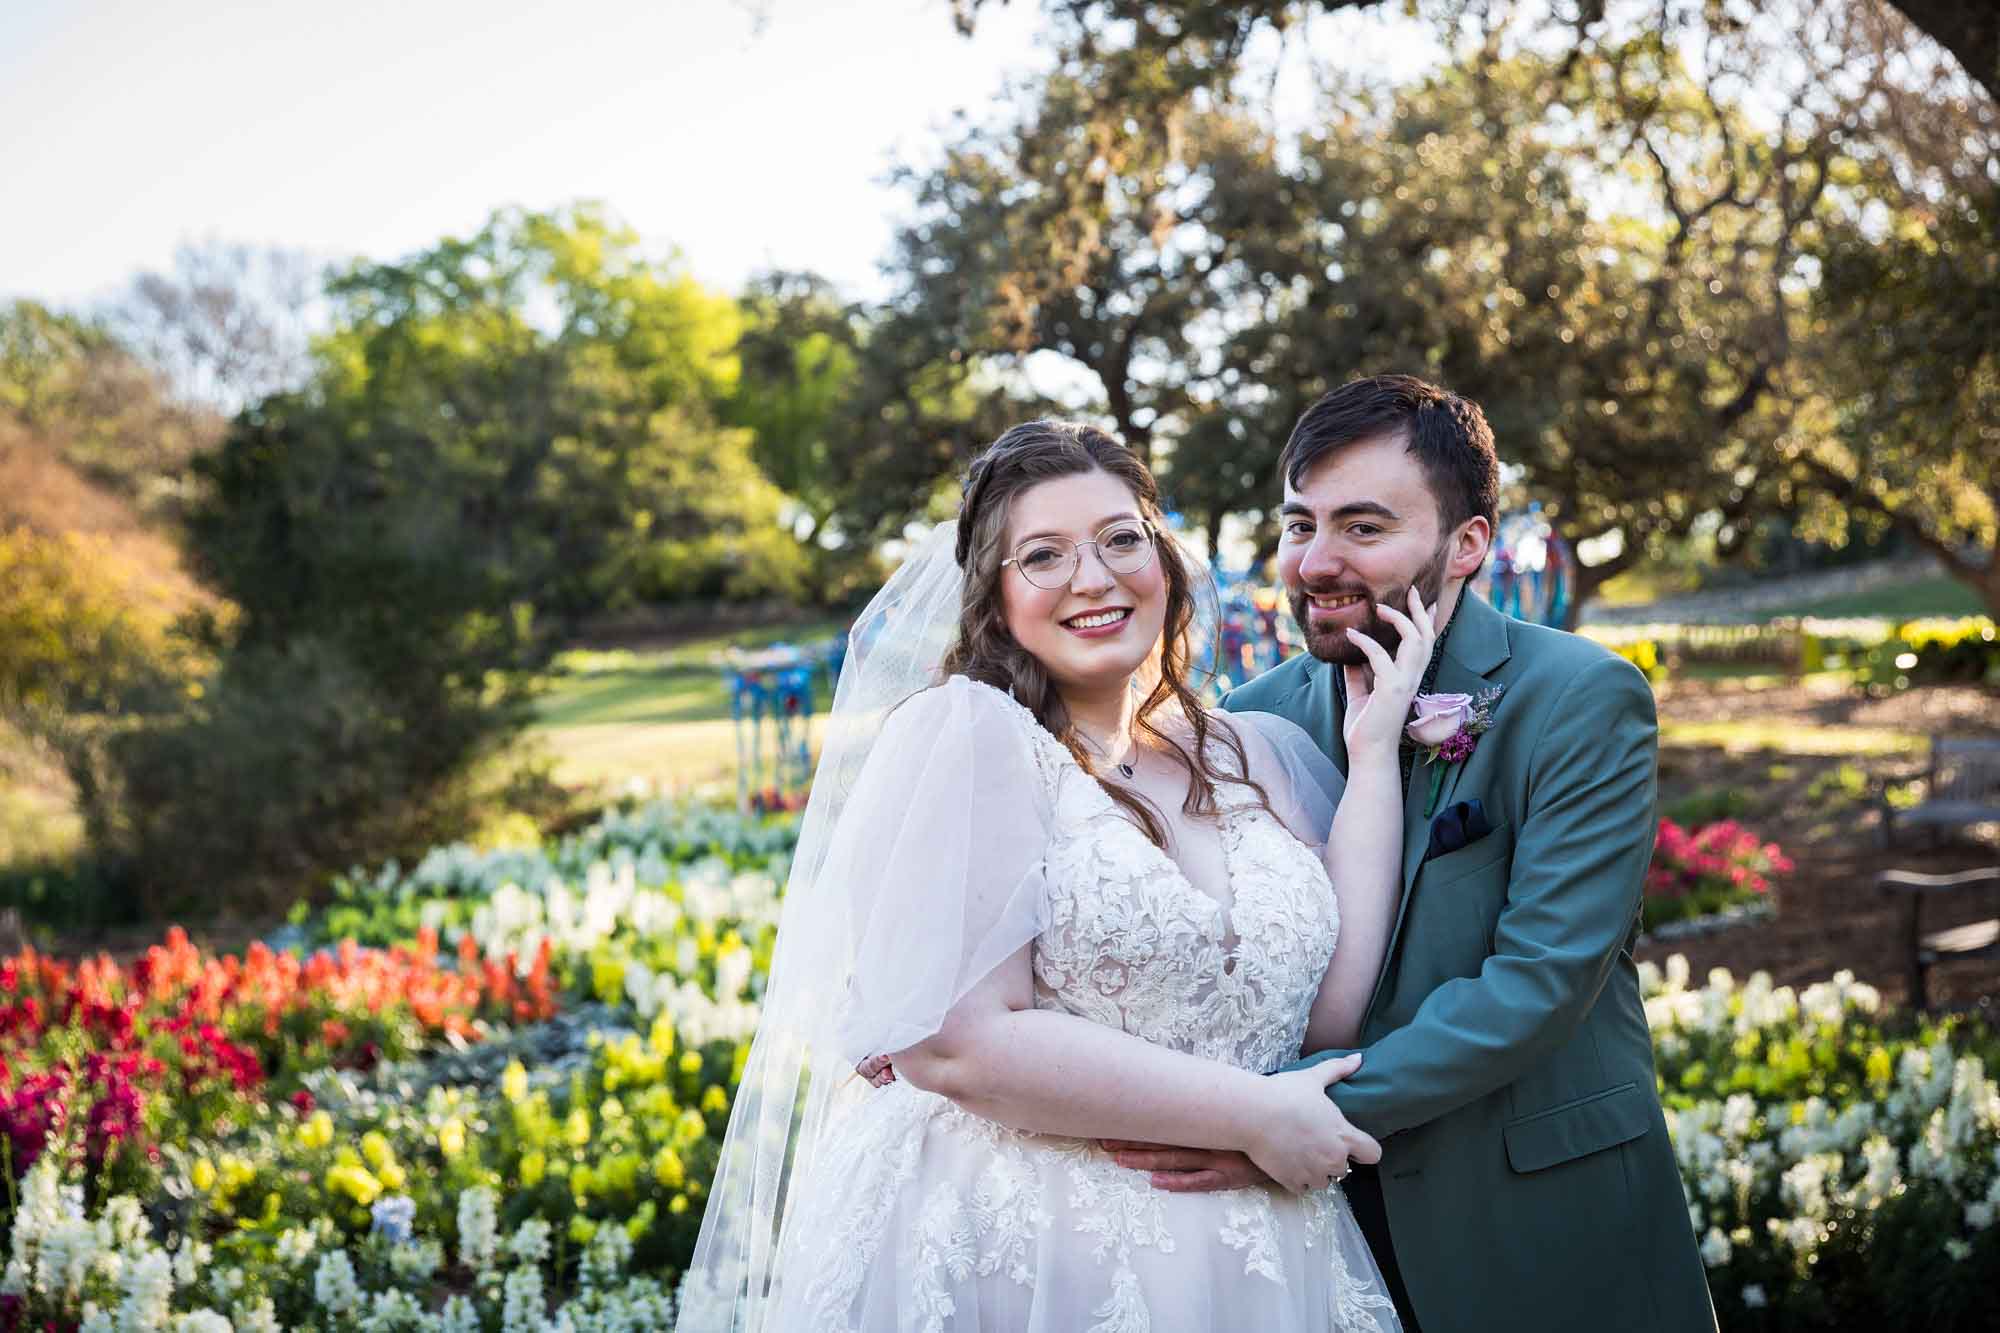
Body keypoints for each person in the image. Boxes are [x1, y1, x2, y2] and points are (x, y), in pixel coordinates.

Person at [676, 420, 1428, 1331]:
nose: (1093, 576)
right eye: (1044, 555)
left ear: (1165, 558)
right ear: (995, 594)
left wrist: (1377, 752)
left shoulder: (1256, 751)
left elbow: (1326, 1012)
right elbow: (952, 1041)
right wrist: (1255, 1115)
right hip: (1033, 1255)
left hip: (1258, 1252)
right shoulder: (974, 738)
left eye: (1120, 539)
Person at [1101, 375, 1717, 1332]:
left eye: (1363, 527)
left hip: (1539, 1223)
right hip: (1314, 1239)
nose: (1314, 561)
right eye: (1300, 524)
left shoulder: (1579, 700)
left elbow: (1539, 982)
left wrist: (1281, 1123)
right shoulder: (1248, 723)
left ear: (1466, 544)